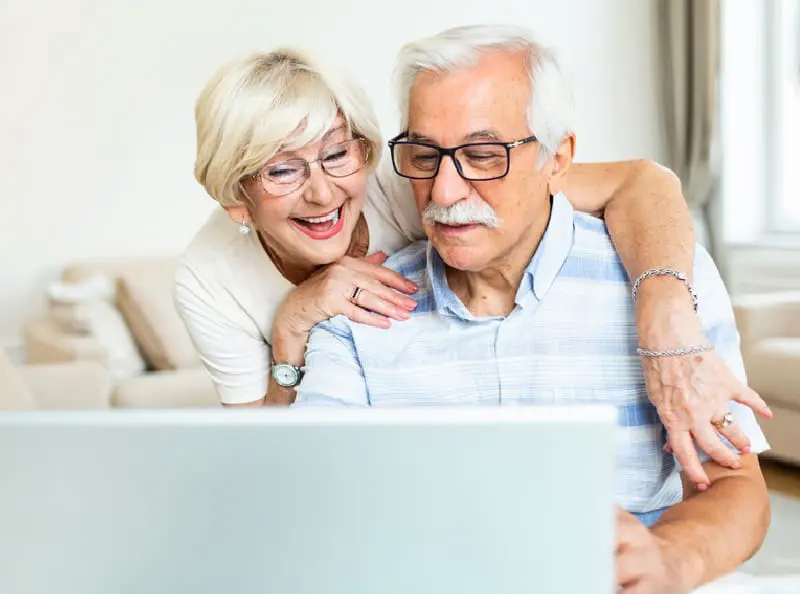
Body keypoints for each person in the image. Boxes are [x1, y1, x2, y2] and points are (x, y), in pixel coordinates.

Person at [292, 25, 771, 594]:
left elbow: (735, 486)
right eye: (424, 155)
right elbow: (316, 503)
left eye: (483, 155)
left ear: (558, 157)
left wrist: (670, 559)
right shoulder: (358, 312)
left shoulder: (667, 281)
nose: (444, 192)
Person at [175, 43, 770, 489]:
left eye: (336, 154)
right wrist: (291, 327)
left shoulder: (421, 179)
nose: (323, 193)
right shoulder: (209, 278)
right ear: (236, 198)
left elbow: (642, 182)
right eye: (282, 170)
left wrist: (666, 313)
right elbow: (264, 471)